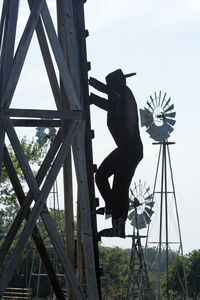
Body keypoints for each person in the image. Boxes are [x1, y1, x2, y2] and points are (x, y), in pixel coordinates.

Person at [89, 69, 143, 238]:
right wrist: (94, 84)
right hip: (132, 149)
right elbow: (110, 96)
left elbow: (110, 103)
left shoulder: (121, 98)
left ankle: (112, 208)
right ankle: (118, 223)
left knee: (102, 176)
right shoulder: (123, 94)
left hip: (128, 149)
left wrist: (92, 96)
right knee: (120, 187)